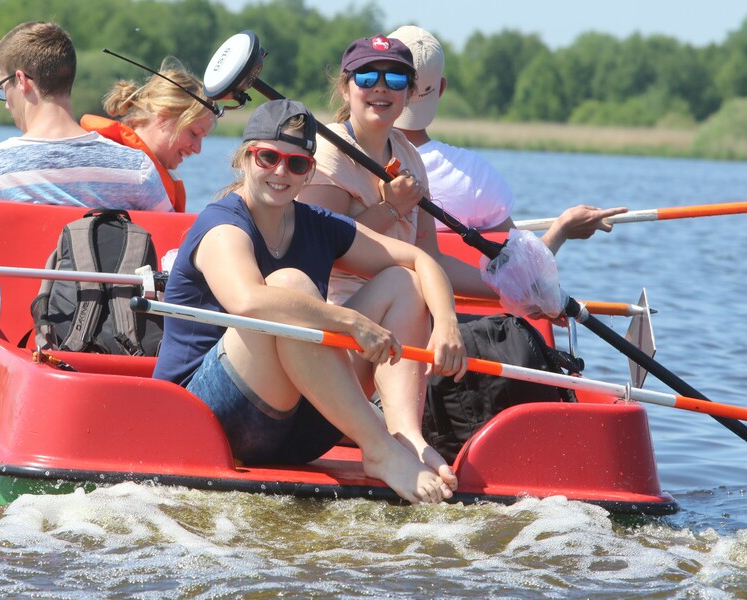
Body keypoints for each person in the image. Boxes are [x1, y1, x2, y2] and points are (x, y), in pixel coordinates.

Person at [153, 99, 468, 504]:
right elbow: (247, 301)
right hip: (206, 422)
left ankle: (404, 438)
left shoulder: (318, 225)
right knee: (289, 285)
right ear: (245, 158)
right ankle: (379, 450)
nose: (281, 172)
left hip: (300, 429)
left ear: (310, 172)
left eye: (296, 164)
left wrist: (446, 324)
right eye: (268, 157)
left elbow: (421, 259)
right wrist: (348, 322)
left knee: (403, 282)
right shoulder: (222, 225)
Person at [0, 21, 172, 332]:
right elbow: (174, 259)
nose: (6, 102)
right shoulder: (137, 169)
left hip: (4, 337)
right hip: (107, 338)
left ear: (21, 80)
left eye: (3, 88)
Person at [388, 25, 627, 255]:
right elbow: (521, 272)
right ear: (440, 88)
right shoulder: (474, 175)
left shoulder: (354, 159)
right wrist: (561, 229)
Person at [298, 33, 495, 305]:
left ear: (410, 93)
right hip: (338, 312)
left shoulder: (409, 156)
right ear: (345, 88)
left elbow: (434, 259)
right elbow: (323, 250)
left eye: (395, 79)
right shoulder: (329, 150)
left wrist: (511, 292)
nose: (381, 87)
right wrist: (390, 209)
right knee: (408, 281)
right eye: (366, 77)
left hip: (401, 309)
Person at [81, 57, 217, 212]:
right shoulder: (136, 174)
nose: (198, 149)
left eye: (202, 138)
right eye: (194, 133)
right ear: (163, 117)